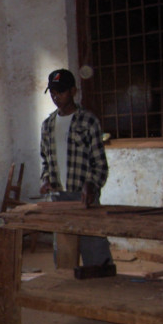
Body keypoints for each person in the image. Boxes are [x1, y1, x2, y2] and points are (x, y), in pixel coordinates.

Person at [40, 68, 112, 266]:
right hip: (59, 197)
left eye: (61, 92)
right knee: (64, 251)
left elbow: (100, 163)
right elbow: (45, 160)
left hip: (83, 195)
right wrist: (46, 179)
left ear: (73, 91)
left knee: (94, 245)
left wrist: (92, 185)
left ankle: (100, 288)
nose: (56, 97)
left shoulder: (88, 121)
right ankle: (66, 289)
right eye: (53, 92)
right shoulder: (47, 125)